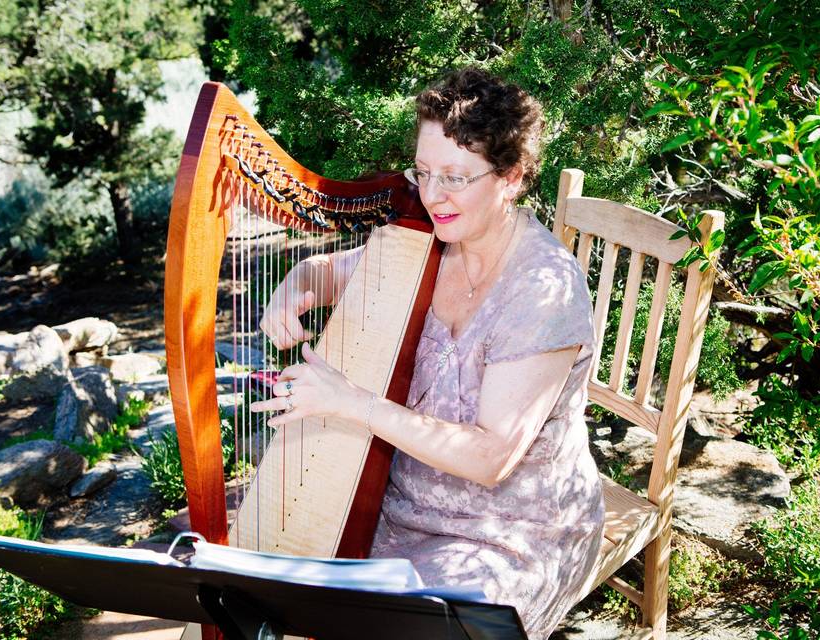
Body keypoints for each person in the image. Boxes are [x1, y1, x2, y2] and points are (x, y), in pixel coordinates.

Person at [251, 67, 604, 640]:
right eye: (424, 171)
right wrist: (298, 284)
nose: (432, 195)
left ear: (510, 178)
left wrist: (351, 403)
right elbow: (324, 273)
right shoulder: (425, 245)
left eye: (456, 178)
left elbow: (492, 457)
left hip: (510, 532)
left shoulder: (542, 291)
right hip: (401, 501)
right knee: (254, 591)